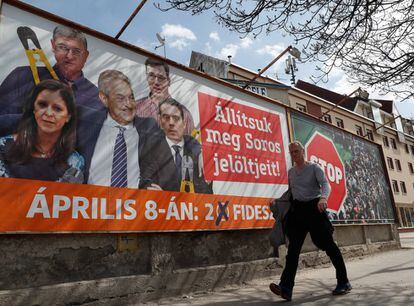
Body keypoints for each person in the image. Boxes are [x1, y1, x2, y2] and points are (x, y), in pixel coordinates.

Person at [269, 141, 351, 301]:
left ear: (303, 151)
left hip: (315, 209)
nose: (294, 155)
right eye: (291, 152)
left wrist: (323, 198)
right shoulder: (291, 172)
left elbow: (326, 184)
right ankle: (285, 288)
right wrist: (277, 202)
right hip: (298, 213)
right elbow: (292, 193)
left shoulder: (314, 168)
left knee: (329, 247)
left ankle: (344, 282)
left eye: (296, 152)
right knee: (292, 251)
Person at [76, 69, 160, 188]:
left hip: (134, 205)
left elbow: (162, 168)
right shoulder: (85, 123)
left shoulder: (149, 127)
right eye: (120, 98)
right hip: (91, 203)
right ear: (104, 98)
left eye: (131, 97)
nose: (129, 104)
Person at [0, 25, 104, 115]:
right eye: (63, 47)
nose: (69, 56)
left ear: (86, 56)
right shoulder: (22, 76)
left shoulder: (96, 96)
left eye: (76, 51)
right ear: (53, 46)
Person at [0, 79, 84, 182]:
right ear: (33, 109)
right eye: (42, 105)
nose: (48, 113)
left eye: (57, 109)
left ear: (68, 117)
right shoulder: (2, 147)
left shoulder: (74, 161)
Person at [144, 98, 211, 193]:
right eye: (166, 118)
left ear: (184, 124)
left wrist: (203, 154)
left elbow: (206, 190)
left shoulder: (195, 148)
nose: (171, 123)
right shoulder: (151, 149)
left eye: (176, 118)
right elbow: (145, 181)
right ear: (161, 123)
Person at [136, 58, 195, 135]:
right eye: (151, 76)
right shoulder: (136, 108)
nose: (156, 82)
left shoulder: (185, 114)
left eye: (160, 78)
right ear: (147, 78)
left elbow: (190, 145)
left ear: (169, 81)